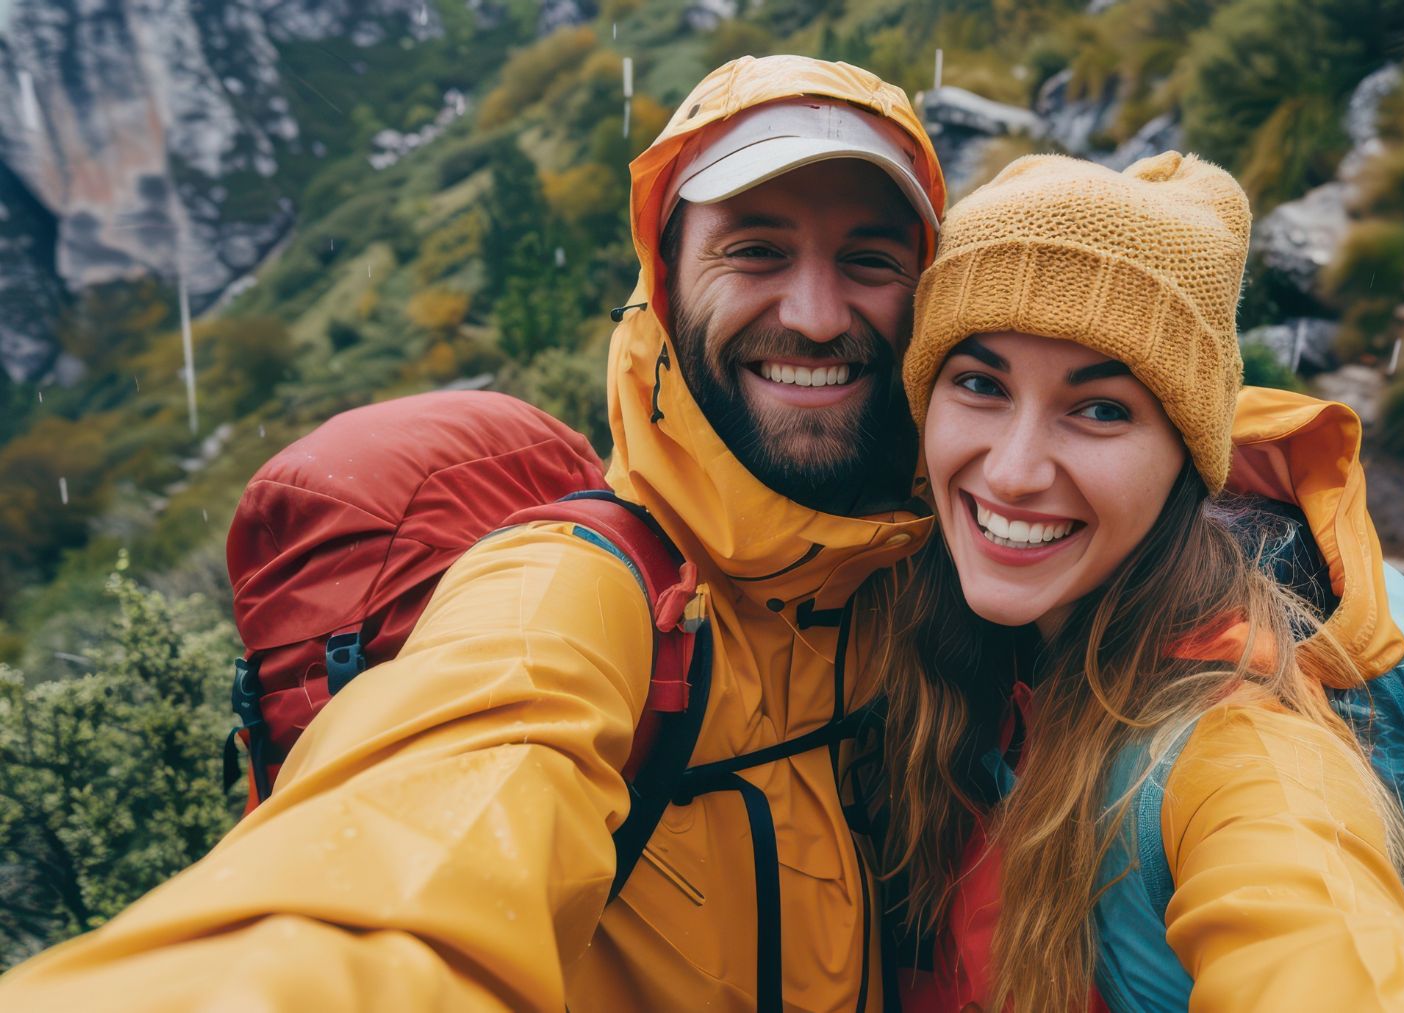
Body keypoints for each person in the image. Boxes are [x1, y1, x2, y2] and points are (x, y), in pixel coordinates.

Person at [0, 55, 945, 1011]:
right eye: (755, 251)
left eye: (869, 259)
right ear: (663, 287)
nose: (819, 317)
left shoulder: (929, 585)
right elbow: (403, 867)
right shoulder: (573, 597)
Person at [877, 152, 1404, 1011]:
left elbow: (1321, 942)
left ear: (1188, 462)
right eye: (979, 383)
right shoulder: (928, 616)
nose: (1010, 472)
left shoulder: (1232, 744)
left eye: (1101, 408)